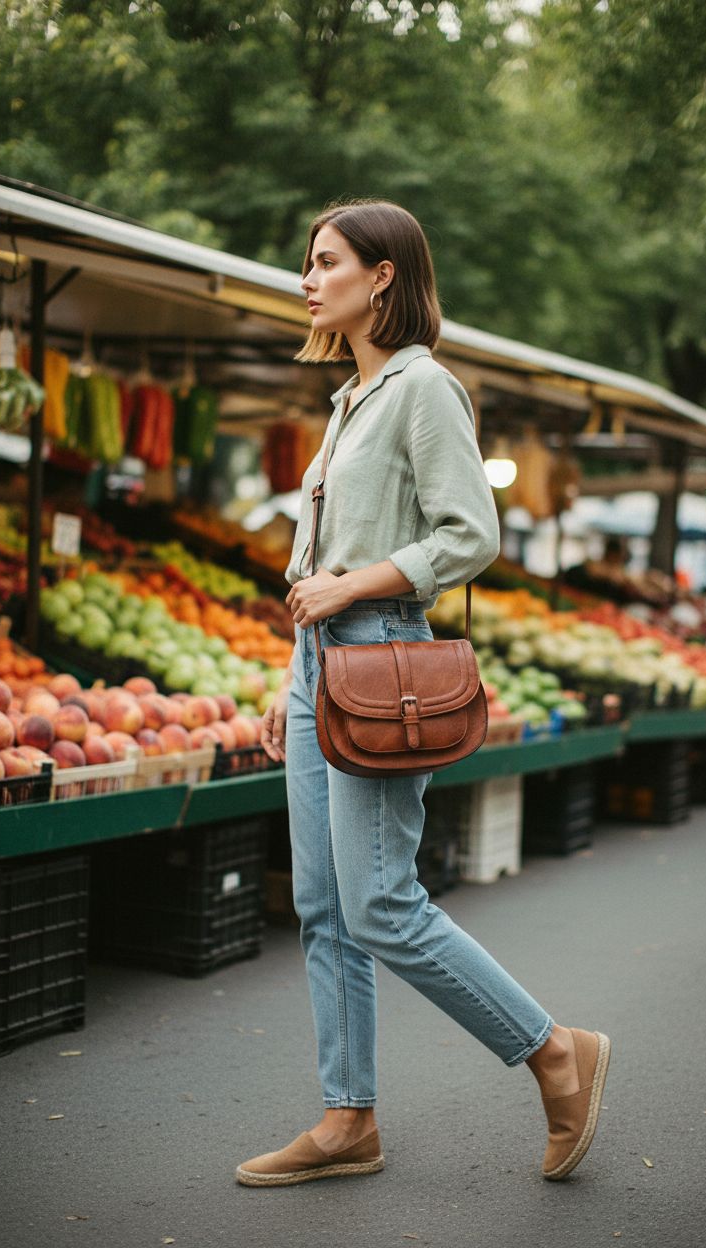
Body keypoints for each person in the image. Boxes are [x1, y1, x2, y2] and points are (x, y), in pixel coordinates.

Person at [236, 201, 610, 1188]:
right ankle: (346, 1118)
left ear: (383, 276)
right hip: (323, 668)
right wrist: (290, 677)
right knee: (321, 907)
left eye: (325, 263)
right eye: (306, 265)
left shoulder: (422, 390)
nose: (308, 280)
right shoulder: (349, 400)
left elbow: (471, 535)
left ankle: (552, 1048)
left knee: (381, 904)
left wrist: (353, 590)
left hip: (380, 660)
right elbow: (316, 559)